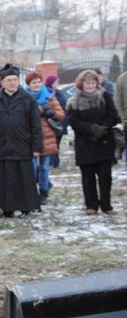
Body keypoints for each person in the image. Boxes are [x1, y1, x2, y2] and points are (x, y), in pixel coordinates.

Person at [0, 65, 42, 217]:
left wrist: (36, 147)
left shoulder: (28, 99)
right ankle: (5, 207)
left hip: (22, 145)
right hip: (1, 146)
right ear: (2, 82)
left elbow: (35, 125)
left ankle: (25, 206)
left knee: (23, 178)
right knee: (3, 179)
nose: (12, 83)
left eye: (15, 80)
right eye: (9, 80)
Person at [66, 69, 121, 215]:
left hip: (104, 141)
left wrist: (102, 129)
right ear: (81, 84)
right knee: (87, 177)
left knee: (105, 176)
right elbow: (73, 121)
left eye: (93, 82)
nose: (90, 85)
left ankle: (106, 205)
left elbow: (114, 116)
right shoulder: (73, 101)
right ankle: (91, 205)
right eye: (87, 83)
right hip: (85, 142)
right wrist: (91, 129)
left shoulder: (105, 97)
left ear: (97, 83)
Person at [25, 72, 65, 206]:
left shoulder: (49, 96)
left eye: (38, 82)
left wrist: (51, 113)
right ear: (28, 85)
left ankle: (43, 191)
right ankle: (32, 191)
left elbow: (61, 115)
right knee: (32, 168)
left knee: (44, 167)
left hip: (47, 137)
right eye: (33, 83)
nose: (36, 85)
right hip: (30, 137)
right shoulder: (24, 98)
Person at [44, 75, 69, 168]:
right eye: (56, 82)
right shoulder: (47, 93)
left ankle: (55, 162)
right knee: (52, 144)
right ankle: (52, 162)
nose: (57, 83)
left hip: (61, 121)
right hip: (52, 123)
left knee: (57, 144)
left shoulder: (58, 92)